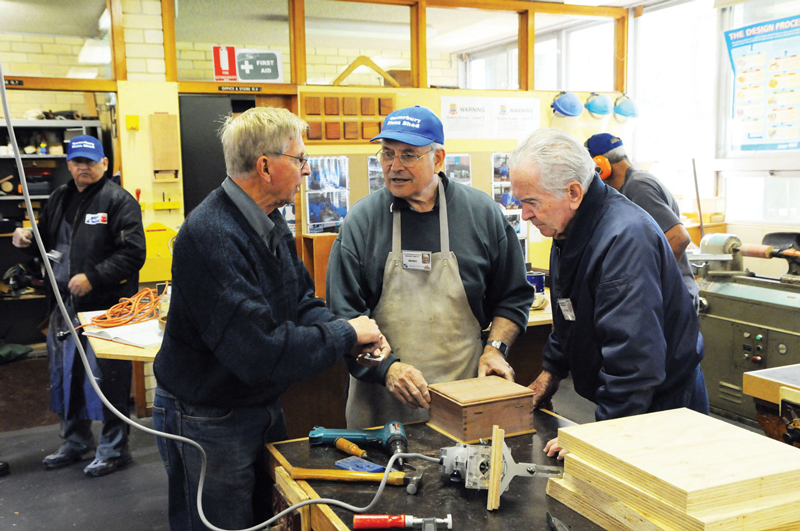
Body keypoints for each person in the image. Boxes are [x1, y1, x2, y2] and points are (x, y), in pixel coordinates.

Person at [152, 107, 386, 531]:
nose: (308, 172)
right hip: (209, 417)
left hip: (255, 404)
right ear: (265, 166)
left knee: (267, 518)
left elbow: (299, 299)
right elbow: (259, 352)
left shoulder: (268, 220)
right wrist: (344, 332)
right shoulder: (211, 235)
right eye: (299, 160)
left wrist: (350, 336)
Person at [326, 105, 534, 428]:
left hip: (463, 405)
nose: (394, 166)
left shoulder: (481, 214)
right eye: (387, 154)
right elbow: (345, 316)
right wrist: (388, 369)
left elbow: (513, 296)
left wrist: (494, 349)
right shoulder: (362, 222)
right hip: (381, 410)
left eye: (408, 155)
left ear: (438, 159)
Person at [509, 129, 708, 459]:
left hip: (663, 409)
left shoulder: (626, 238)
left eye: (531, 202)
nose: (525, 215)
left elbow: (634, 363)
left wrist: (599, 439)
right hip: (631, 403)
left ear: (573, 192)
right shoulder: (568, 228)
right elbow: (567, 315)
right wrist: (550, 374)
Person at [12, 135, 146, 477]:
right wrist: (27, 240)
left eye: (89, 161)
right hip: (62, 303)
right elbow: (45, 245)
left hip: (106, 307)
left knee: (108, 378)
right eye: (76, 162)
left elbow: (133, 254)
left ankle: (114, 449)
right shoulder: (59, 197)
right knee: (64, 376)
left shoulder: (119, 201)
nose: (82, 167)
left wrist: (94, 277)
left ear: (104, 163)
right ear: (69, 164)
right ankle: (75, 441)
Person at [585, 133, 699, 309]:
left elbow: (678, 239)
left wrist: (646, 284)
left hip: (671, 299)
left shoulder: (638, 187)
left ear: (601, 167)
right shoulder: (632, 185)